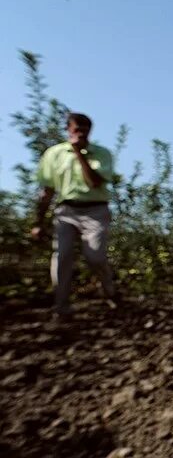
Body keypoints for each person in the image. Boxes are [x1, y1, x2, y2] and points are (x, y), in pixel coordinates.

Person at [31, 112, 120, 319]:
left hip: (95, 210)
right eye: (76, 129)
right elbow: (47, 190)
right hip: (66, 211)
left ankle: (109, 291)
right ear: (68, 130)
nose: (80, 132)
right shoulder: (54, 154)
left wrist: (79, 154)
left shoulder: (101, 153)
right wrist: (38, 222)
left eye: (85, 129)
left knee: (95, 256)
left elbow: (95, 182)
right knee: (62, 257)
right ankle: (61, 307)